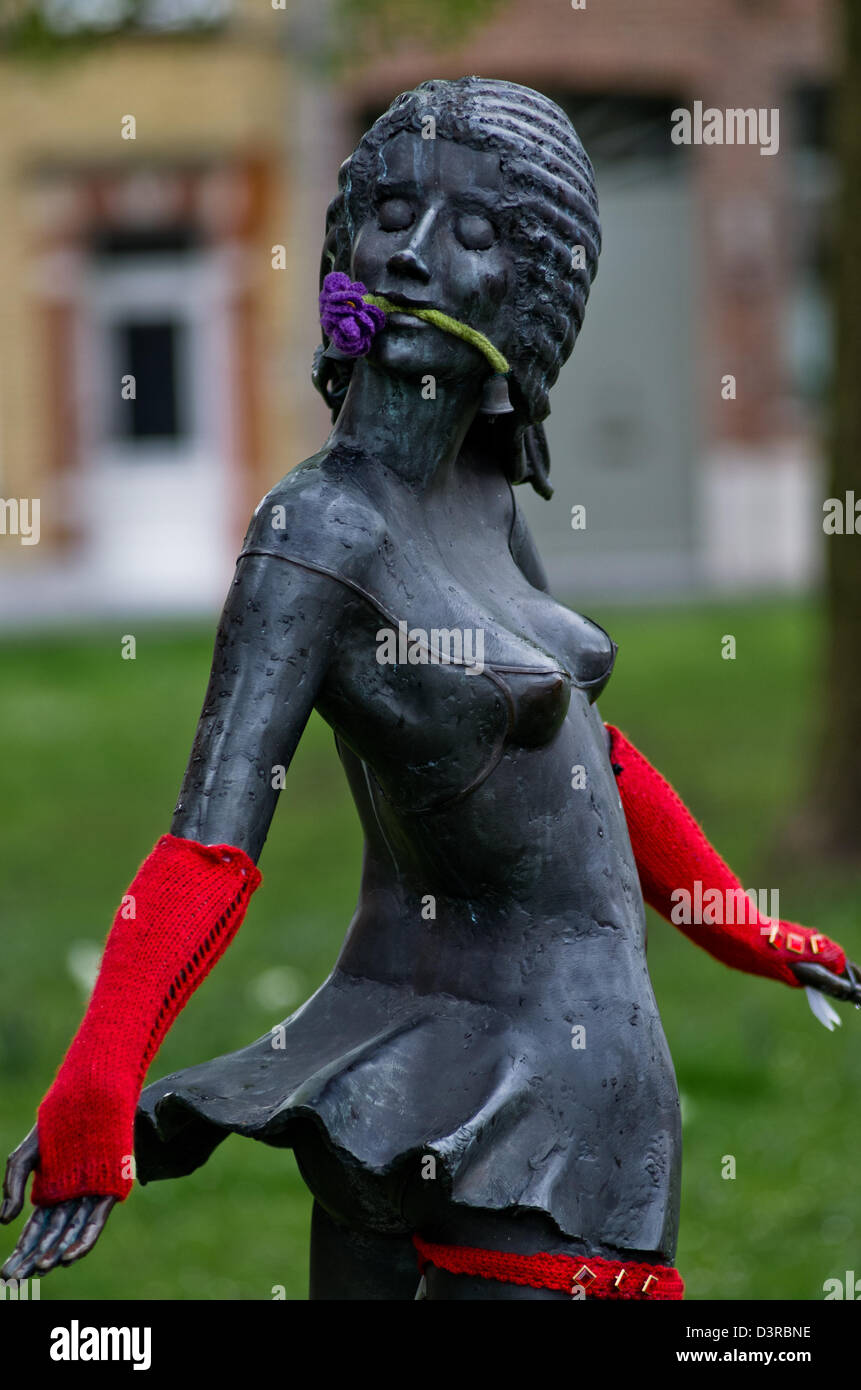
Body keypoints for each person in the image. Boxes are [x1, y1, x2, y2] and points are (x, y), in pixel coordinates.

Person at [2, 78, 855, 1301]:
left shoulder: (483, 494)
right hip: (487, 1120)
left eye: (474, 232)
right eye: (388, 212)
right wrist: (96, 1076)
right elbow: (207, 849)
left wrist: (741, 923)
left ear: (538, 290)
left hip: (551, 1092)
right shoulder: (320, 529)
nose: (408, 254)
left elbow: (584, 755)